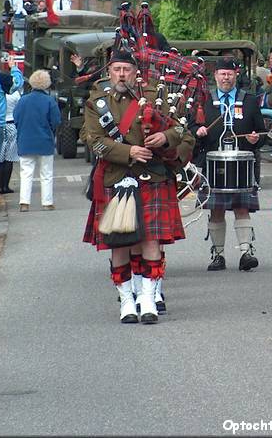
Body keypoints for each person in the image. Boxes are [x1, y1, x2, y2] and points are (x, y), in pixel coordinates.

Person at [81, 49, 194, 324]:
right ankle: (127, 301)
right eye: (117, 69)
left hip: (153, 178)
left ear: (135, 72)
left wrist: (164, 137)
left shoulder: (156, 97)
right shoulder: (97, 102)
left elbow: (182, 130)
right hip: (116, 179)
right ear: (109, 71)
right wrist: (128, 152)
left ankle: (148, 298)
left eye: (127, 69)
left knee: (150, 241)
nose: (122, 74)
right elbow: (93, 140)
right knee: (119, 243)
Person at [192, 57, 266, 271]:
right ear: (215, 76)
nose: (226, 77)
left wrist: (256, 139)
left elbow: (262, 133)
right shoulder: (205, 101)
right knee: (216, 210)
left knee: (242, 208)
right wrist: (198, 132)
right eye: (222, 74)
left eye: (230, 74)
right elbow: (190, 130)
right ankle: (218, 255)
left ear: (236, 76)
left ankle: (245, 253)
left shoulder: (249, 100)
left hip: (242, 164)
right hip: (214, 163)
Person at [13, 70, 61, 211]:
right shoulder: (49, 101)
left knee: (26, 172)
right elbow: (56, 121)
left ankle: (24, 203)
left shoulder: (23, 100)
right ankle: (47, 202)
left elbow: (16, 118)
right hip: (44, 141)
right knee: (46, 173)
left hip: (25, 141)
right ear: (47, 84)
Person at [0, 49, 24, 205]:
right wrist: (14, 67)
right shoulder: (9, 88)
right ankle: (4, 186)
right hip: (8, 123)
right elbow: (17, 85)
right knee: (9, 157)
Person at [0, 87, 20, 194]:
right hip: (12, 124)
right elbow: (19, 109)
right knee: (9, 157)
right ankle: (5, 186)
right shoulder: (15, 94)